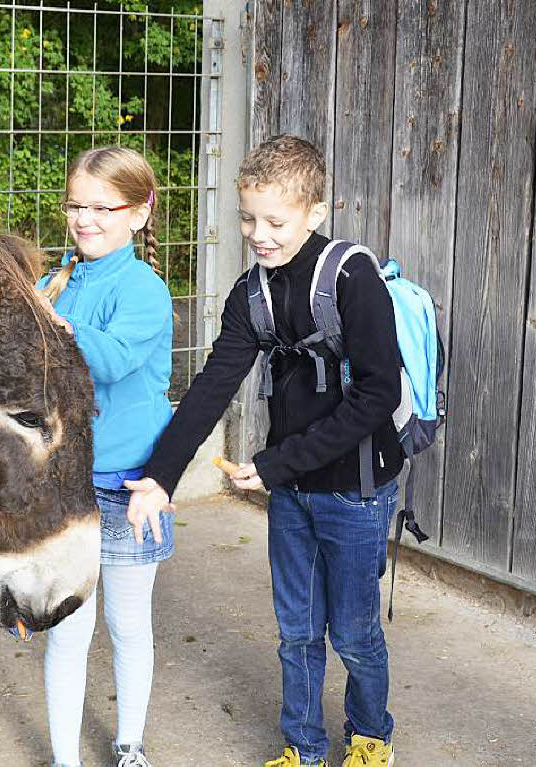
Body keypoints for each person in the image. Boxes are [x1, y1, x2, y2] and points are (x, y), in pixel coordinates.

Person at [126, 134, 402, 767]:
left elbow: (378, 395)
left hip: (355, 492)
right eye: (248, 219)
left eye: (276, 221)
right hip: (293, 491)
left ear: (315, 211)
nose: (260, 234)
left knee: (355, 634)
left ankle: (369, 737)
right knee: (297, 631)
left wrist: (278, 463)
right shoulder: (252, 294)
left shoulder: (352, 278)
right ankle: (302, 749)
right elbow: (211, 387)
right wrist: (161, 478)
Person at [35, 146, 174, 767]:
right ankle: (66, 759)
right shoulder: (52, 283)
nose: (84, 219)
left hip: (128, 487)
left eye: (101, 207)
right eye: (75, 205)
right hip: (64, 486)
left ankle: (129, 745)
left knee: (127, 624)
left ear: (139, 213)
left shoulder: (143, 289)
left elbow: (114, 360)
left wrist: (51, 327)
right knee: (67, 631)